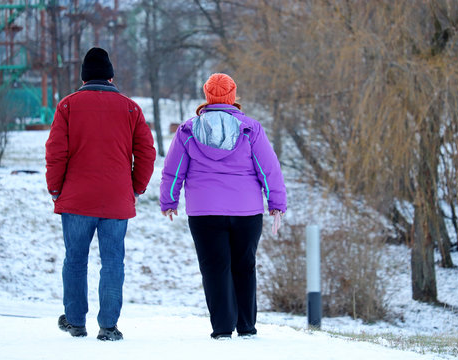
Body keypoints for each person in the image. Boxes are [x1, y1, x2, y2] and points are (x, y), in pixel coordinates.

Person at [160, 73, 287, 339]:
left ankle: (222, 329)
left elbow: (174, 170)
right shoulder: (251, 128)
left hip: (205, 212)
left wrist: (169, 200)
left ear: (207, 95)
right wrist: (275, 202)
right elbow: (269, 169)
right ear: (233, 95)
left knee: (214, 269)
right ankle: (247, 327)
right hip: (246, 212)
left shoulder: (188, 130)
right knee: (244, 266)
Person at [45, 47, 156, 341]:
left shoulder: (67, 106)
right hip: (117, 201)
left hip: (77, 200)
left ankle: (75, 321)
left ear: (83, 78)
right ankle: (108, 326)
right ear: (110, 76)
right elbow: (146, 152)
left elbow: (56, 153)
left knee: (75, 260)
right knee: (112, 262)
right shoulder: (131, 108)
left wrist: (55, 188)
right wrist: (135, 187)